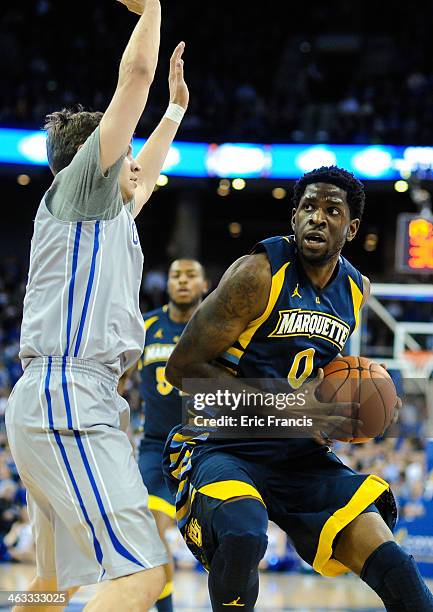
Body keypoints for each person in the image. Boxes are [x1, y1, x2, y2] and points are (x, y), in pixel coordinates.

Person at [163, 166, 433, 611]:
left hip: (297, 455)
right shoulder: (257, 274)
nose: (317, 218)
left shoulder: (356, 290)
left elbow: (326, 381)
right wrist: (291, 407)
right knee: (244, 534)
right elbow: (183, 369)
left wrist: (369, 405)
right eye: (308, 207)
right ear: (293, 218)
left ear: (353, 227)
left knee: (395, 563)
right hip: (226, 444)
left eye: (332, 210)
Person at [5, 0, 189, 609]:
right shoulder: (82, 190)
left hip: (52, 400)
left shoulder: (106, 217)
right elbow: (133, 80)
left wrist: (176, 113)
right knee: (141, 578)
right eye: (127, 154)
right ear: (101, 164)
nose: (140, 164)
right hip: (69, 399)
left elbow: (150, 166)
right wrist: (153, 10)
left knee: (50, 585)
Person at [136, 259, 208, 611]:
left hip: (204, 447)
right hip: (155, 448)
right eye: (175, 275)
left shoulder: (218, 327)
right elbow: (118, 383)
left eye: (190, 275)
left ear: (205, 284)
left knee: (226, 539)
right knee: (151, 530)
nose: (182, 281)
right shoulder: (146, 326)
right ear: (167, 284)